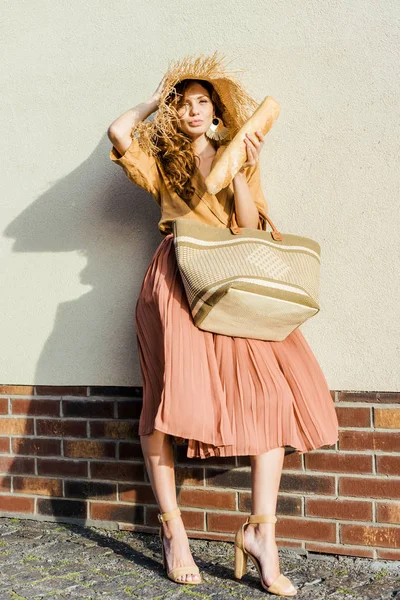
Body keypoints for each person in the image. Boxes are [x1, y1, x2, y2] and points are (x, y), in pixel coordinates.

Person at [107, 52, 339, 596]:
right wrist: (156, 106)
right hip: (176, 278)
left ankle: (262, 533)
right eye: (182, 102)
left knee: (272, 400)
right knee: (166, 404)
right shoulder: (161, 159)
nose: (191, 109)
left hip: (230, 277)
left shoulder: (239, 154)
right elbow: (119, 130)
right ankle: (174, 532)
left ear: (214, 112)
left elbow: (249, 224)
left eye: (201, 102)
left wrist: (240, 168)